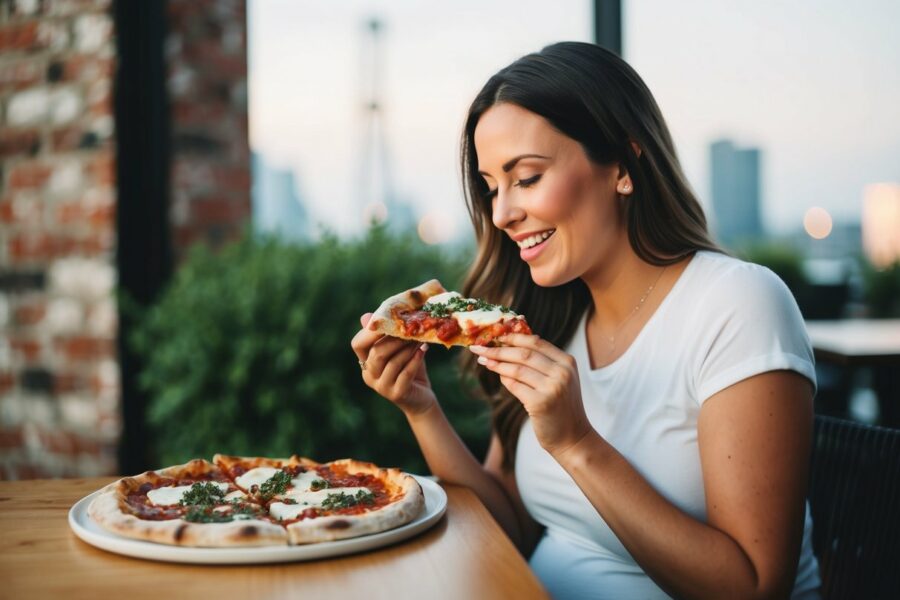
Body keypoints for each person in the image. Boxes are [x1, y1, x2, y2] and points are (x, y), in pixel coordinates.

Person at [351, 41, 820, 600]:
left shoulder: (739, 304)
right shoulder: (550, 316)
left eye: (525, 178)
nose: (501, 213)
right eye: (491, 187)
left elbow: (754, 587)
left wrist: (576, 443)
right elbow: (512, 528)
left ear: (623, 164)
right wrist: (421, 408)